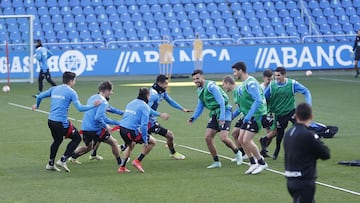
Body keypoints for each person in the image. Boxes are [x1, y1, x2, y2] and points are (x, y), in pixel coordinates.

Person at [32, 71, 100, 172]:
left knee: (57, 140)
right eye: (75, 80)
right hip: (61, 122)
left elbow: (40, 96)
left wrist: (37, 105)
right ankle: (63, 160)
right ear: (71, 81)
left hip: (51, 121)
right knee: (77, 138)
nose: (75, 82)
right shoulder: (71, 92)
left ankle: (50, 163)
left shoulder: (54, 89)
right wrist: (93, 105)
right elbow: (80, 108)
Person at [188, 69, 242, 169]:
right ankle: (216, 162)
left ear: (202, 77)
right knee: (208, 137)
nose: (196, 81)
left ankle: (238, 152)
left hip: (224, 111)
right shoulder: (199, 90)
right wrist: (193, 117)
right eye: (194, 79)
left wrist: (221, 117)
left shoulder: (211, 86)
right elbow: (200, 105)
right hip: (214, 114)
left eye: (198, 78)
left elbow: (221, 101)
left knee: (223, 138)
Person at [68, 81, 124, 171]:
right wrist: (107, 125)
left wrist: (122, 113)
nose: (111, 93)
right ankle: (120, 161)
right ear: (106, 91)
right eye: (111, 91)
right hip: (95, 129)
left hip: (85, 127)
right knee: (113, 142)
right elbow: (98, 118)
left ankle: (68, 156)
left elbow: (109, 109)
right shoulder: (104, 102)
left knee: (88, 147)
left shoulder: (92, 97)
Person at [284, 103, 330, 203]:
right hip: (304, 181)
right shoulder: (308, 134)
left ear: (296, 116)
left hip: (290, 180)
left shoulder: (288, 133)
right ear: (311, 116)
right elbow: (325, 154)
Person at [264, 66, 312, 160]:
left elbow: (306, 91)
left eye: (278, 75)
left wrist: (308, 105)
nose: (277, 77)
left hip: (291, 111)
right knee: (279, 135)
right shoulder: (272, 85)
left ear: (284, 75)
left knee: (301, 128)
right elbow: (264, 97)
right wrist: (265, 111)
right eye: (275, 75)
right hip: (279, 114)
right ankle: (277, 149)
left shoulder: (292, 84)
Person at [231, 62, 269, 174]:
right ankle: (253, 163)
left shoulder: (251, 83)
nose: (234, 74)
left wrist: (248, 116)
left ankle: (262, 163)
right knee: (241, 139)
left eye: (234, 71)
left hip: (257, 115)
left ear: (240, 70)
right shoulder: (244, 84)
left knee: (247, 140)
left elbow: (258, 100)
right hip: (250, 115)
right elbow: (243, 105)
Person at [148, 74, 192, 160]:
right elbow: (146, 109)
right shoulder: (153, 94)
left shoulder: (161, 92)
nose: (167, 86)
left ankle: (124, 150)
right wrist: (160, 114)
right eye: (165, 84)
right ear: (160, 83)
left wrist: (182, 109)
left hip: (151, 121)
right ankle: (173, 153)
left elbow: (170, 101)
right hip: (146, 122)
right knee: (169, 135)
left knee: (137, 141)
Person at [118, 88, 156, 173]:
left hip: (122, 129)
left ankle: (122, 167)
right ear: (147, 96)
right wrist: (145, 139)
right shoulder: (145, 107)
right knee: (152, 142)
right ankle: (137, 161)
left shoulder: (131, 102)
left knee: (131, 144)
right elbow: (144, 125)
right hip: (131, 130)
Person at [221, 76, 247, 160]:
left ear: (228, 83)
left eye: (223, 84)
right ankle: (243, 154)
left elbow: (241, 107)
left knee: (244, 138)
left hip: (248, 115)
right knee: (235, 133)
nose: (223, 87)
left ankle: (255, 157)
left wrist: (231, 116)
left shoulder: (238, 90)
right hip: (244, 115)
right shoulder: (235, 91)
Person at [258, 69, 277, 158]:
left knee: (271, 133)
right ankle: (261, 144)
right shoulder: (261, 88)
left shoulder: (272, 87)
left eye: (272, 79)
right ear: (264, 78)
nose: (270, 81)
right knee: (274, 132)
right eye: (268, 79)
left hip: (268, 112)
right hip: (263, 113)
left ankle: (263, 150)